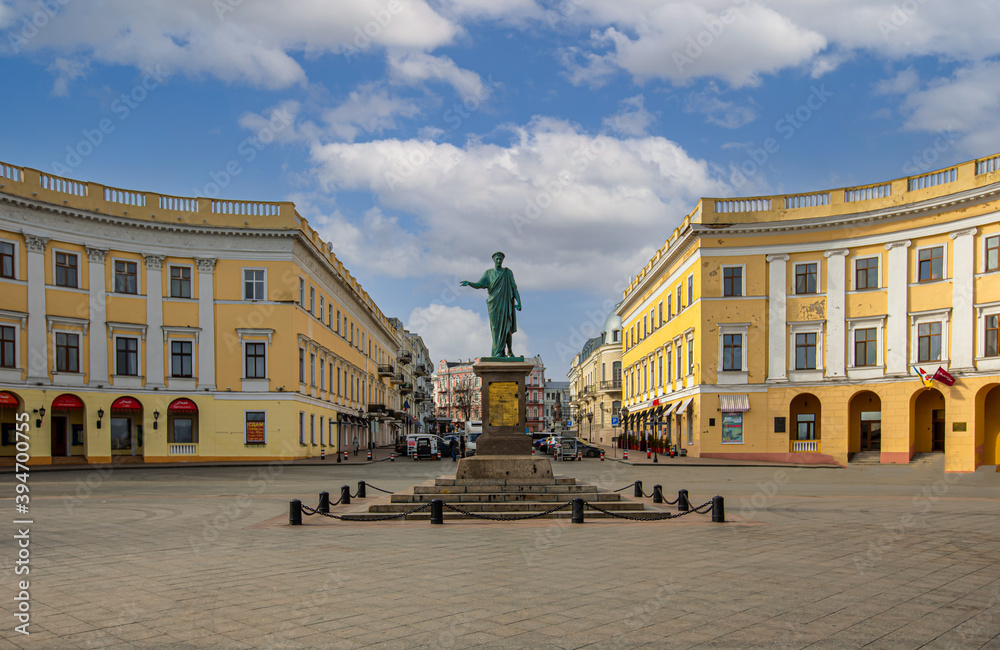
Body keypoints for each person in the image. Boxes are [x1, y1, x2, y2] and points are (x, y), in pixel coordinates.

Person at [460, 251, 521, 358]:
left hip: (506, 303)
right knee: (495, 328)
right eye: (497, 259)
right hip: (494, 304)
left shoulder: (508, 272)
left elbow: (514, 288)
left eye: (500, 259)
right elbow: (479, 284)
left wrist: (519, 302)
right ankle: (498, 352)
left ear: (502, 260)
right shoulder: (488, 273)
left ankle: (510, 351)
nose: (498, 261)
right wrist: (469, 283)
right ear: (493, 260)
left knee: (507, 327)